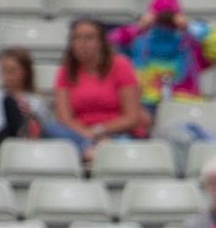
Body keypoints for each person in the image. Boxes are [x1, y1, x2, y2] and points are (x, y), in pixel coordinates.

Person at [111, 0, 216, 112]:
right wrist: (139, 27)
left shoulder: (192, 46)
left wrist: (190, 25)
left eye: (170, 18)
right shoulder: (139, 44)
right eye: (162, 18)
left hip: (185, 105)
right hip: (146, 106)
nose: (166, 23)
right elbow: (110, 44)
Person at [49, 18, 148, 160]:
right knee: (50, 128)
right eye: (77, 38)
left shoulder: (121, 65)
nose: (83, 43)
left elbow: (132, 117)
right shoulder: (66, 71)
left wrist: (98, 130)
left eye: (89, 38)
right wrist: (86, 134)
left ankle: (95, 151)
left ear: (101, 42)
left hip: (115, 132)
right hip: (80, 134)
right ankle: (90, 150)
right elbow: (65, 118)